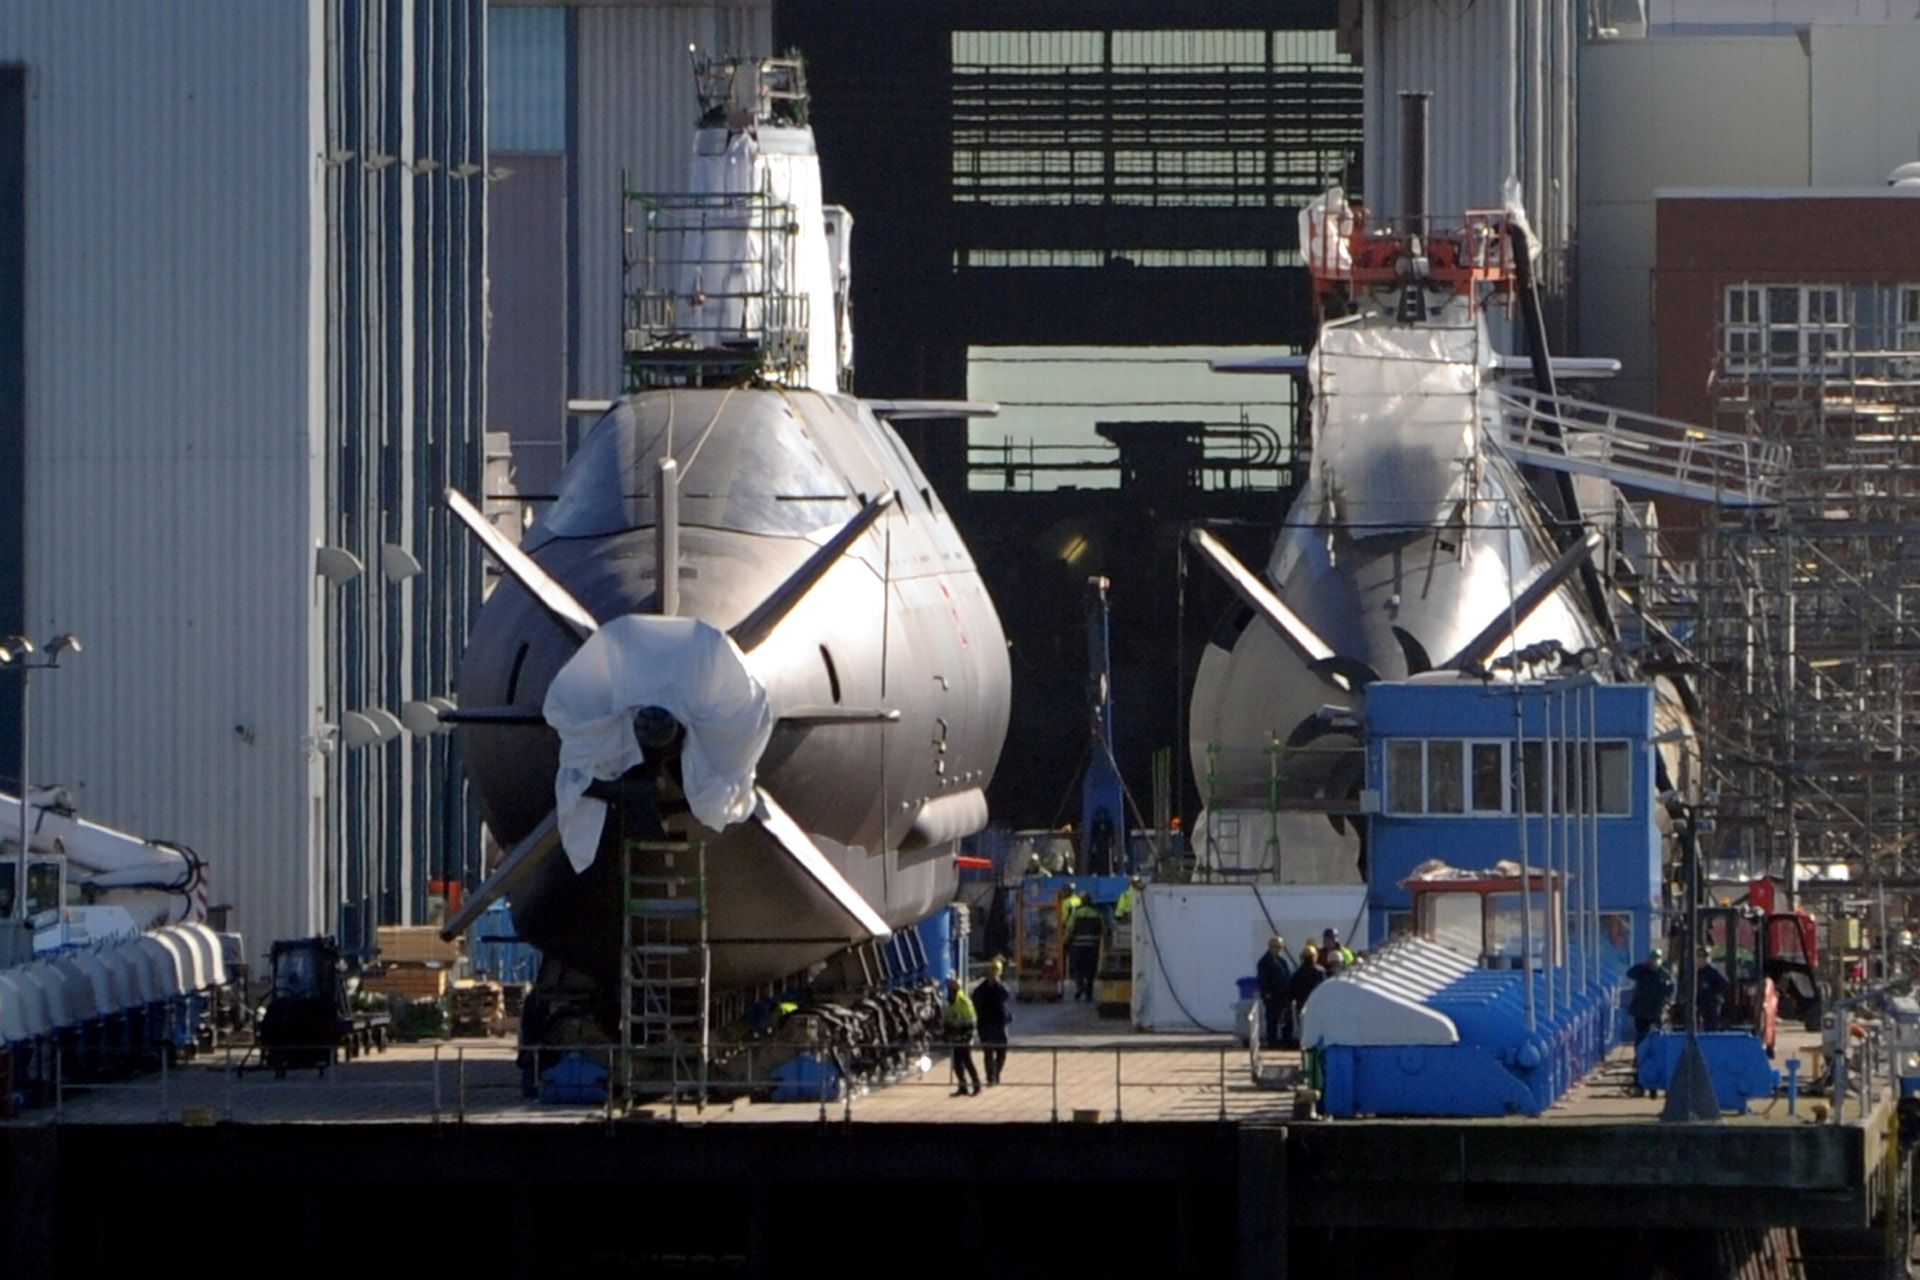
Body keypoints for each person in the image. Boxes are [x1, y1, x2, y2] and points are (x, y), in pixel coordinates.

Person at [972, 958, 1013, 1086]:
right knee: (988, 1052)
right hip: (986, 1024)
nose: (992, 977)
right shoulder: (981, 989)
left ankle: (995, 1074)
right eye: (991, 974)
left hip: (1000, 1024)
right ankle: (991, 1077)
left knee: (1002, 1051)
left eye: (995, 975)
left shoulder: (1000, 988)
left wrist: (998, 984)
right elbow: (975, 1000)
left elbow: (1007, 995)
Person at [1625, 948, 1674, 1048]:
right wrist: (1643, 965)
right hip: (1641, 1009)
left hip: (1656, 1009)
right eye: (1652, 960)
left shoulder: (1664, 974)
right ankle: (1639, 1056)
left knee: (1657, 1033)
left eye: (1655, 961)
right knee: (1641, 1034)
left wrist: (1666, 1001)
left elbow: (1670, 989)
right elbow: (1630, 973)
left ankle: (1656, 1054)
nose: (1653, 964)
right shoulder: (1642, 971)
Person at [944, 976, 981, 1096]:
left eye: (951, 988)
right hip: (955, 1038)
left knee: (967, 1061)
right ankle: (963, 1086)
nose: (949, 991)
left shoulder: (964, 1002)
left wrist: (968, 1035)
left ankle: (977, 1086)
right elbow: (947, 1020)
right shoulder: (949, 1003)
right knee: (956, 1063)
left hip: (965, 1038)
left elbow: (972, 1020)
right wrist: (946, 1033)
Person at [1255, 935, 1294, 1048]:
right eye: (1276, 947)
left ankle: (1287, 1040)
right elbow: (1262, 979)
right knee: (1272, 1019)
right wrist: (1266, 993)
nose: (1278, 950)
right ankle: (1272, 1041)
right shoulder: (1264, 962)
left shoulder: (1282, 962)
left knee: (1286, 1019)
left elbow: (1287, 977)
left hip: (1283, 996)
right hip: (1272, 996)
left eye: (1279, 948)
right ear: (1271, 947)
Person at [1066, 893, 1106, 1000]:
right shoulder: (1097, 914)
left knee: (1078, 968)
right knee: (1090, 969)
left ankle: (1080, 987)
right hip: (1093, 946)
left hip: (1078, 945)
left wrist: (1065, 942)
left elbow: (1070, 929)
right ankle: (1089, 991)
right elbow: (1103, 930)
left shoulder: (1076, 914)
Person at [1287, 943, 1325, 1042]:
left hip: (1301, 1005)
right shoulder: (1320, 972)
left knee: (1304, 1029)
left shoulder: (1298, 973)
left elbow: (1291, 990)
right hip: (1318, 1005)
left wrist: (1288, 1002)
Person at [1693, 946, 1731, 1032]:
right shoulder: (1695, 972)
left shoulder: (1713, 971)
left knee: (1711, 1026)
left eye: (1704, 957)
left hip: (1711, 1005)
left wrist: (1714, 993)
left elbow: (1725, 983)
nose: (1701, 959)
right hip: (1699, 1004)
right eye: (1699, 957)